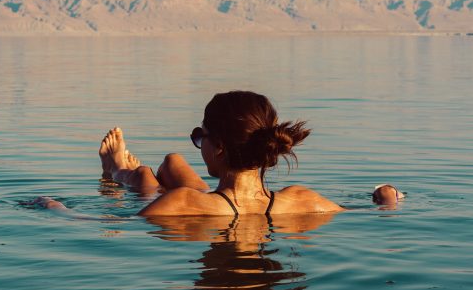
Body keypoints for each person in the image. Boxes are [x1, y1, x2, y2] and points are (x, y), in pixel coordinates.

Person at [97, 90, 344, 217]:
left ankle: (118, 169)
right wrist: (385, 197)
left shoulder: (181, 202)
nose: (199, 143)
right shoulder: (302, 198)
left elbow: (97, 221)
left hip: (213, 204)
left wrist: (57, 205)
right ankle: (133, 173)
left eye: (200, 136)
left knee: (145, 179)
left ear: (219, 146)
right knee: (173, 161)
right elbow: (367, 210)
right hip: (226, 202)